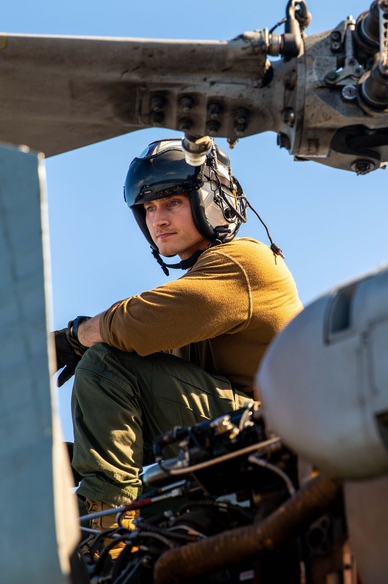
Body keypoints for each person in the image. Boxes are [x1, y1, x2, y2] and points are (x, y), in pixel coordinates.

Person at [52, 137, 302, 528]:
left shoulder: (242, 261)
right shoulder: (198, 290)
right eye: (149, 208)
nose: (158, 220)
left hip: (274, 434)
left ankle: (108, 533)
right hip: (236, 436)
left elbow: (135, 324)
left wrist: (74, 337)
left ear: (213, 201)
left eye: (172, 202)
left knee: (105, 367)